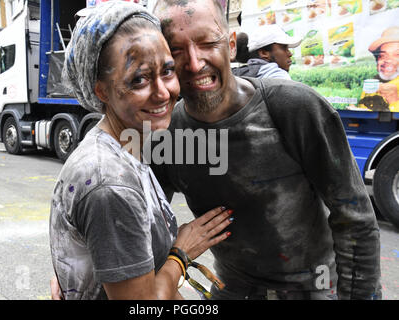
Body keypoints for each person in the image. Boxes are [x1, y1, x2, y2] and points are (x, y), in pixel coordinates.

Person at [151, 0, 381, 299]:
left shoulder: (294, 107)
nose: (195, 63)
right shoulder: (166, 134)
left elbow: (355, 219)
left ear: (231, 45)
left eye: (207, 42)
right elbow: (149, 228)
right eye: (176, 50)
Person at [49, 1, 233, 300]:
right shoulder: (110, 183)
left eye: (168, 71)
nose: (163, 92)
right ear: (102, 91)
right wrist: (181, 254)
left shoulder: (129, 148)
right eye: (140, 79)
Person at [235, 24, 301, 80]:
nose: (290, 54)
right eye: (284, 48)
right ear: (264, 53)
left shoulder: (240, 76)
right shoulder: (277, 76)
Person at [368, 26, 399, 111]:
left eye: (397, 54)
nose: (387, 60)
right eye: (382, 55)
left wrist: (394, 101)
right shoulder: (372, 83)